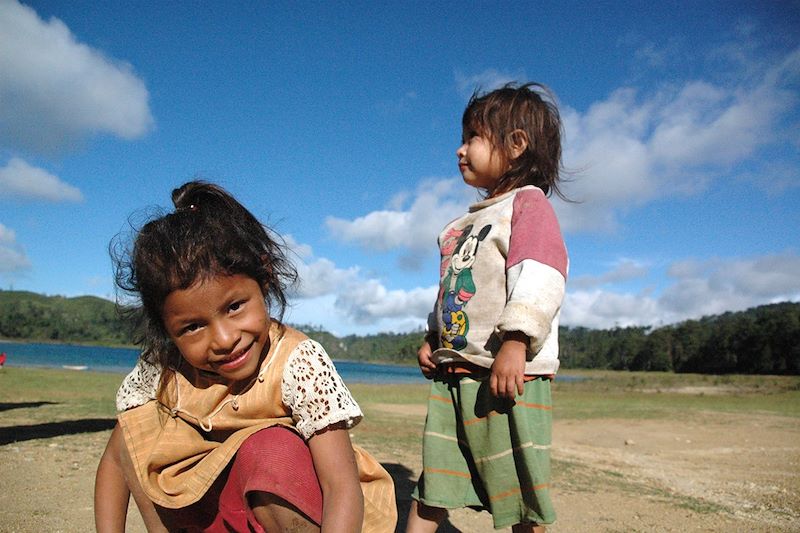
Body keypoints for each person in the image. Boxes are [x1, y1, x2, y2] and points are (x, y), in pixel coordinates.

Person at [94, 181, 397, 532]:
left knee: (270, 450)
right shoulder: (163, 369)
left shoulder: (297, 362)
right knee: (139, 432)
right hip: (213, 512)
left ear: (264, 280)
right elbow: (118, 460)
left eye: (235, 306)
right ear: (166, 328)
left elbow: (340, 486)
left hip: (317, 516)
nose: (224, 340)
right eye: (192, 327)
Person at [406, 83, 569, 533]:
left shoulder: (528, 206)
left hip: (508, 376)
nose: (460, 150)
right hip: (455, 374)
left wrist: (516, 342)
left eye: (473, 137)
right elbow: (452, 289)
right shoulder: (461, 225)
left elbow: (541, 275)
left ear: (515, 145)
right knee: (432, 486)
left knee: (518, 497)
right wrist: (431, 337)